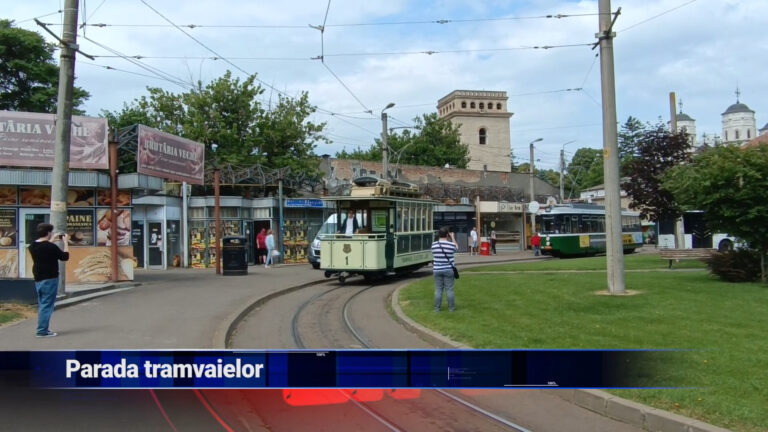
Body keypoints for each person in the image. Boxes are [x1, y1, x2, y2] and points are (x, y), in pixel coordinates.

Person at [28, 223, 69, 338]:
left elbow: (43, 247)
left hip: (38, 278)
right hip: (50, 278)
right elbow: (65, 256)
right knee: (47, 305)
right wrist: (65, 242)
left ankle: (43, 328)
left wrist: (52, 239)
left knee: (42, 303)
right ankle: (42, 330)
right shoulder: (51, 247)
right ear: (48, 233)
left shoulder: (32, 246)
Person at [431, 227, 458, 312]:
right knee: (449, 290)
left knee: (438, 289)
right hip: (448, 269)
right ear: (447, 235)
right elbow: (456, 248)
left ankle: (437, 308)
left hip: (437, 269)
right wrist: (453, 237)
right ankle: (451, 308)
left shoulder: (434, 245)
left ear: (439, 234)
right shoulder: (450, 245)